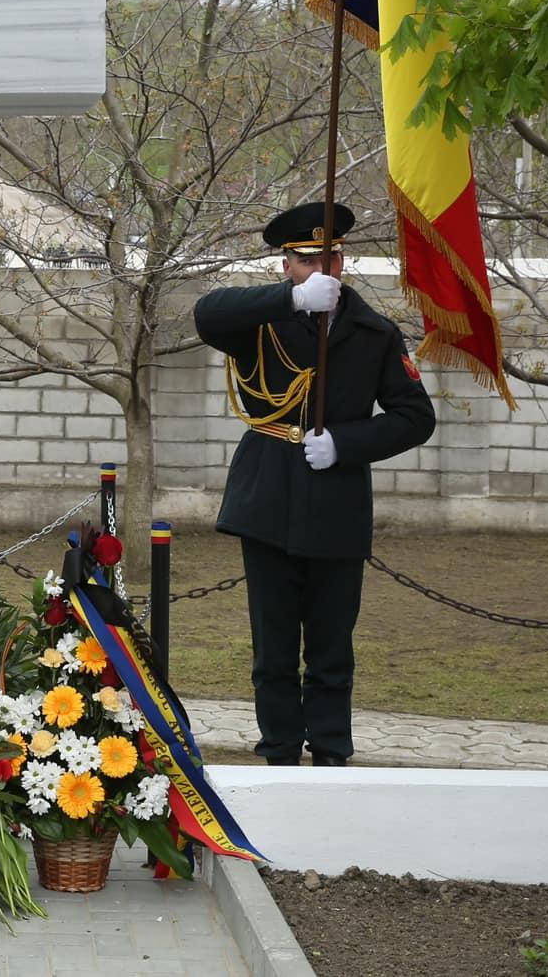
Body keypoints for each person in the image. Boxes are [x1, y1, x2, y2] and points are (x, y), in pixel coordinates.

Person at [194, 200, 434, 767]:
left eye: (327, 258)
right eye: (305, 261)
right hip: (269, 499)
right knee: (272, 648)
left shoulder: (374, 332)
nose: (319, 269)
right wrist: (290, 302)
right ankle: (279, 752)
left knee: (331, 650)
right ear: (286, 266)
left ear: (342, 261)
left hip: (336, 505)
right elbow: (207, 314)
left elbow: (415, 416)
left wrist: (346, 445)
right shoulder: (264, 319)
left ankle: (330, 755)